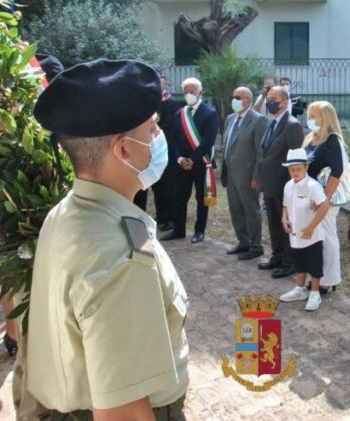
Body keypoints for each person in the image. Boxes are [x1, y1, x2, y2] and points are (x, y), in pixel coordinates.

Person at [26, 59, 189, 419]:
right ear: (124, 149)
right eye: (152, 129)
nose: (157, 139)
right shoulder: (119, 259)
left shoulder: (69, 212)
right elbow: (125, 412)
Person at [161, 77, 219, 244]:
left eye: (192, 91)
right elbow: (172, 139)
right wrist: (179, 158)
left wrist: (192, 159)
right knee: (179, 197)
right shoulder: (179, 113)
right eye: (186, 92)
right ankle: (178, 230)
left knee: (201, 199)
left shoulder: (210, 113)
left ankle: (199, 231)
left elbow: (208, 141)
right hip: (181, 164)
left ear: (200, 92)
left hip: (200, 163)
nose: (189, 95)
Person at [256, 86, 304, 278]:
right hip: (269, 184)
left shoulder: (292, 125)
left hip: (284, 185)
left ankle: (289, 262)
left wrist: (292, 187)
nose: (269, 102)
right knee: (274, 223)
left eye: (273, 98)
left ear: (284, 102)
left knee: (286, 225)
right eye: (268, 98)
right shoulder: (271, 122)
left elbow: (296, 159)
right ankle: (277, 256)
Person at [303, 101, 346, 294]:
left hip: (324, 200)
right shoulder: (311, 139)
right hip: (310, 198)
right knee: (315, 240)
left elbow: (336, 173)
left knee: (327, 239)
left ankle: (328, 280)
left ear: (326, 118)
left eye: (314, 116)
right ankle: (317, 276)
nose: (310, 119)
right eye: (309, 115)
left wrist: (323, 200)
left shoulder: (332, 140)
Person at [278, 148, 329, 311]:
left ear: (306, 167)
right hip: (295, 234)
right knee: (299, 261)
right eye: (292, 170)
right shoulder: (287, 186)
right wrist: (283, 218)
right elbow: (285, 205)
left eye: (298, 169)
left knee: (314, 264)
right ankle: (300, 289)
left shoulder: (313, 186)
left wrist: (311, 227)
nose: (295, 172)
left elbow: (324, 205)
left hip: (312, 235)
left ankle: (315, 293)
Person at [221, 86, 268, 260]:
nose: (234, 100)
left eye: (238, 97)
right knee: (236, 210)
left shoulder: (258, 120)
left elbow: (260, 152)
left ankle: (256, 246)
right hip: (231, 173)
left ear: (248, 99)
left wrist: (257, 177)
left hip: (248, 175)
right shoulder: (231, 118)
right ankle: (243, 241)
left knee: (251, 210)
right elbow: (227, 144)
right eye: (234, 96)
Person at [134, 73, 181, 233]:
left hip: (162, 149)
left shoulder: (171, 103)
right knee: (141, 187)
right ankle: (138, 218)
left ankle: (165, 219)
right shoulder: (144, 102)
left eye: (160, 83)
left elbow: (167, 126)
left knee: (164, 188)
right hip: (143, 151)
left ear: (164, 84)